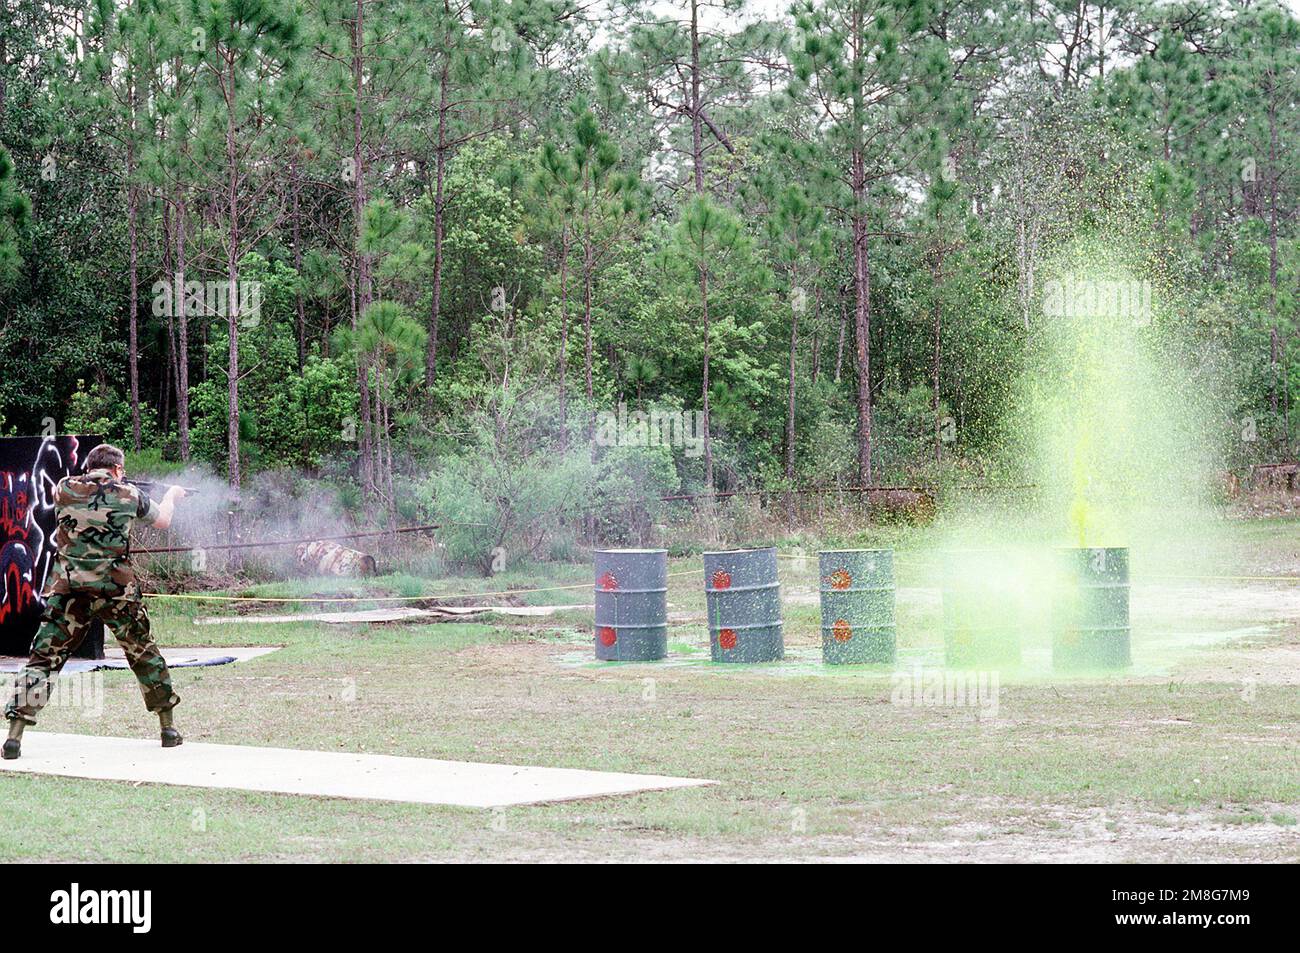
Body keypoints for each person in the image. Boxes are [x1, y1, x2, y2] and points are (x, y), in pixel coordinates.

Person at [3, 443, 187, 759]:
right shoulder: (130, 495)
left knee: (44, 658)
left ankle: (15, 736)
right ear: (117, 468)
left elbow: (84, 498)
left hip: (70, 589)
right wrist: (171, 495)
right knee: (144, 654)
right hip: (116, 589)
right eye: (122, 470)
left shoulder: (63, 488)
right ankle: (168, 729)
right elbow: (163, 520)